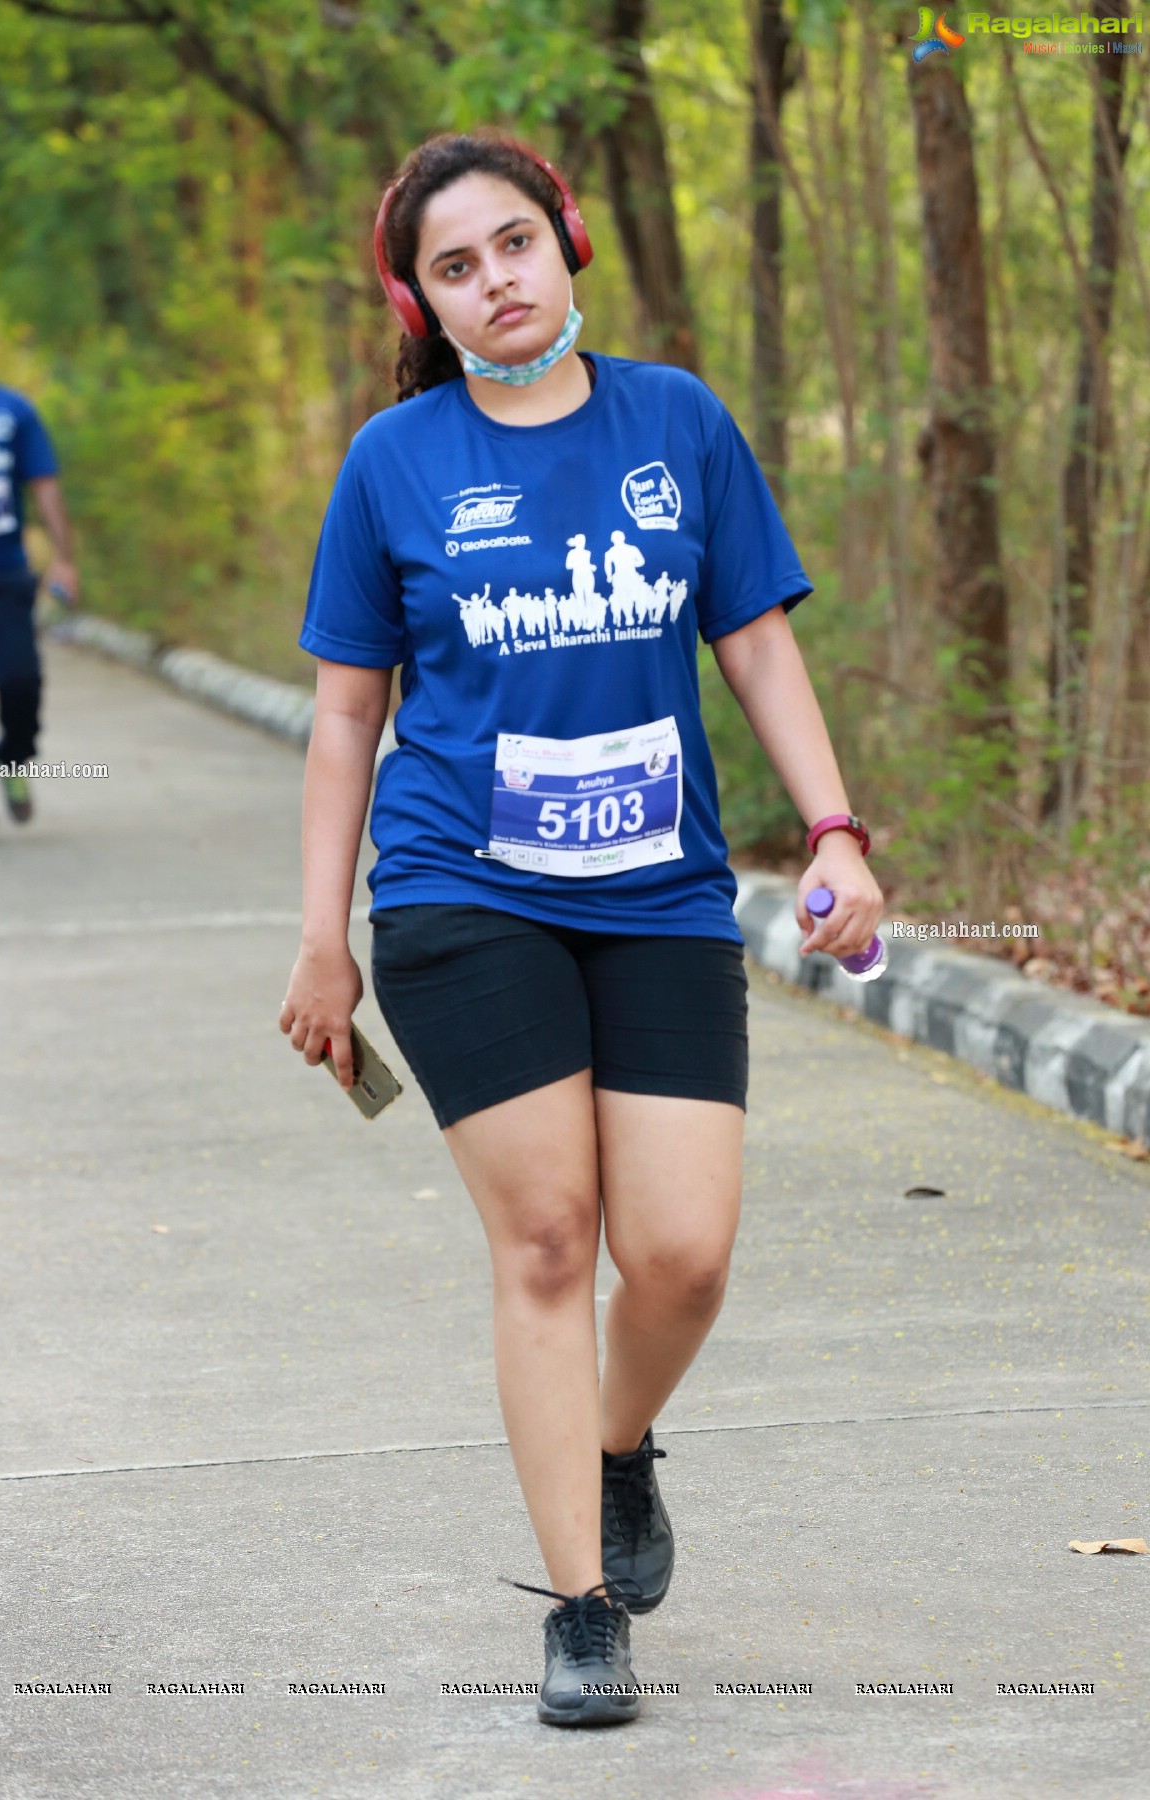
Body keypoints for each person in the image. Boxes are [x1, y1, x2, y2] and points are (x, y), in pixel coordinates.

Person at [279, 131, 884, 1728]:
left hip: (662, 894)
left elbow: (751, 644)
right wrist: (321, 936)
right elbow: (348, 717)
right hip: (458, 895)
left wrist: (834, 831)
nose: (496, 284)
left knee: (678, 1257)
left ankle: (620, 1449)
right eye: (455, 269)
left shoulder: (675, 422)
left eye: (514, 246)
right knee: (549, 1241)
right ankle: (581, 1605)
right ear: (424, 299)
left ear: (570, 243)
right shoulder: (392, 464)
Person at [0, 300, 79, 848]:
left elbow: (43, 485)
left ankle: (11, 758)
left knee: (18, 679)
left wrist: (64, 558)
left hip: (4, 576)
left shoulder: (14, 413)